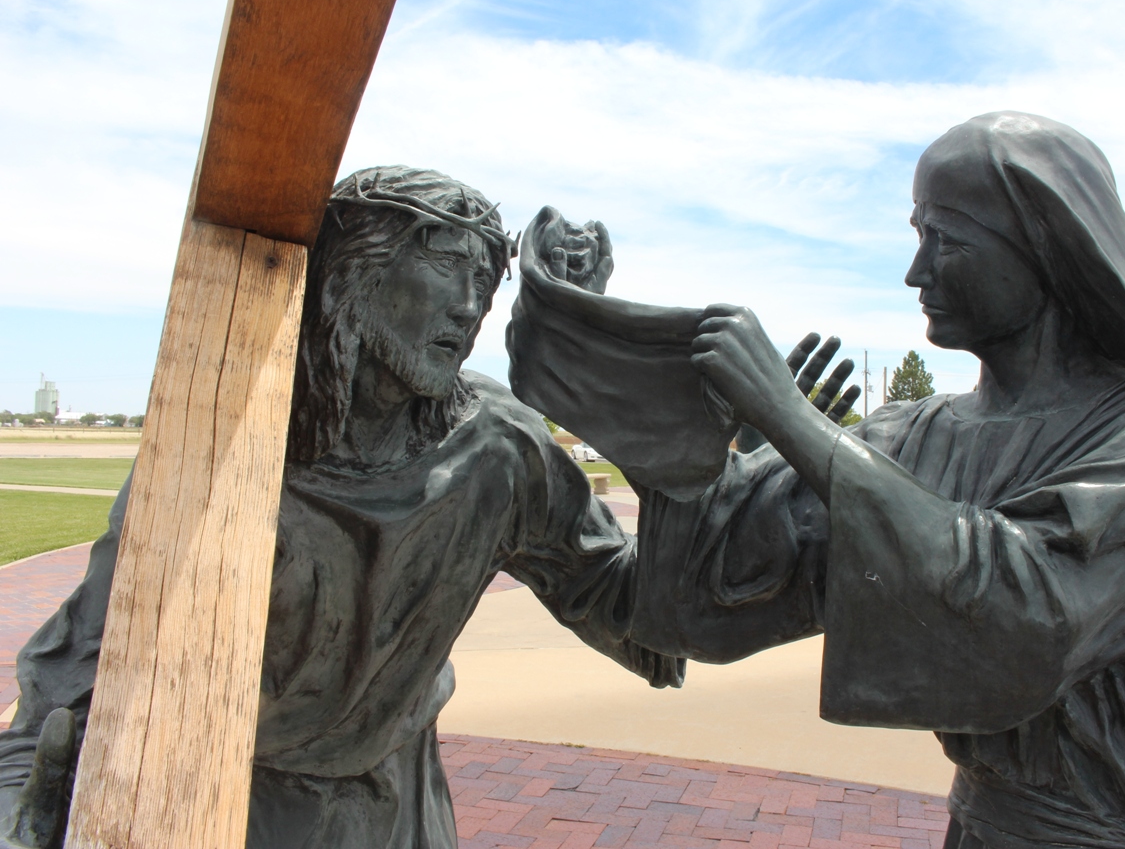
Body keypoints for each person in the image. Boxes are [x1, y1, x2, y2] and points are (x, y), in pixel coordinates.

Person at [546, 113, 1125, 848]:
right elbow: (714, 588)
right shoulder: (919, 433)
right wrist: (680, 412)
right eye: (917, 235)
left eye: (947, 239)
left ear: (1044, 248)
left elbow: (1025, 617)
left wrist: (797, 424)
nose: (917, 271)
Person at [0, 167, 687, 849]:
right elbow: (63, 691)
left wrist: (614, 380)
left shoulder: (497, 448)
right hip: (238, 815)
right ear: (352, 275)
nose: (470, 305)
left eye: (485, 279)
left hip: (406, 815)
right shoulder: (222, 447)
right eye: (447, 263)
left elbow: (648, 630)